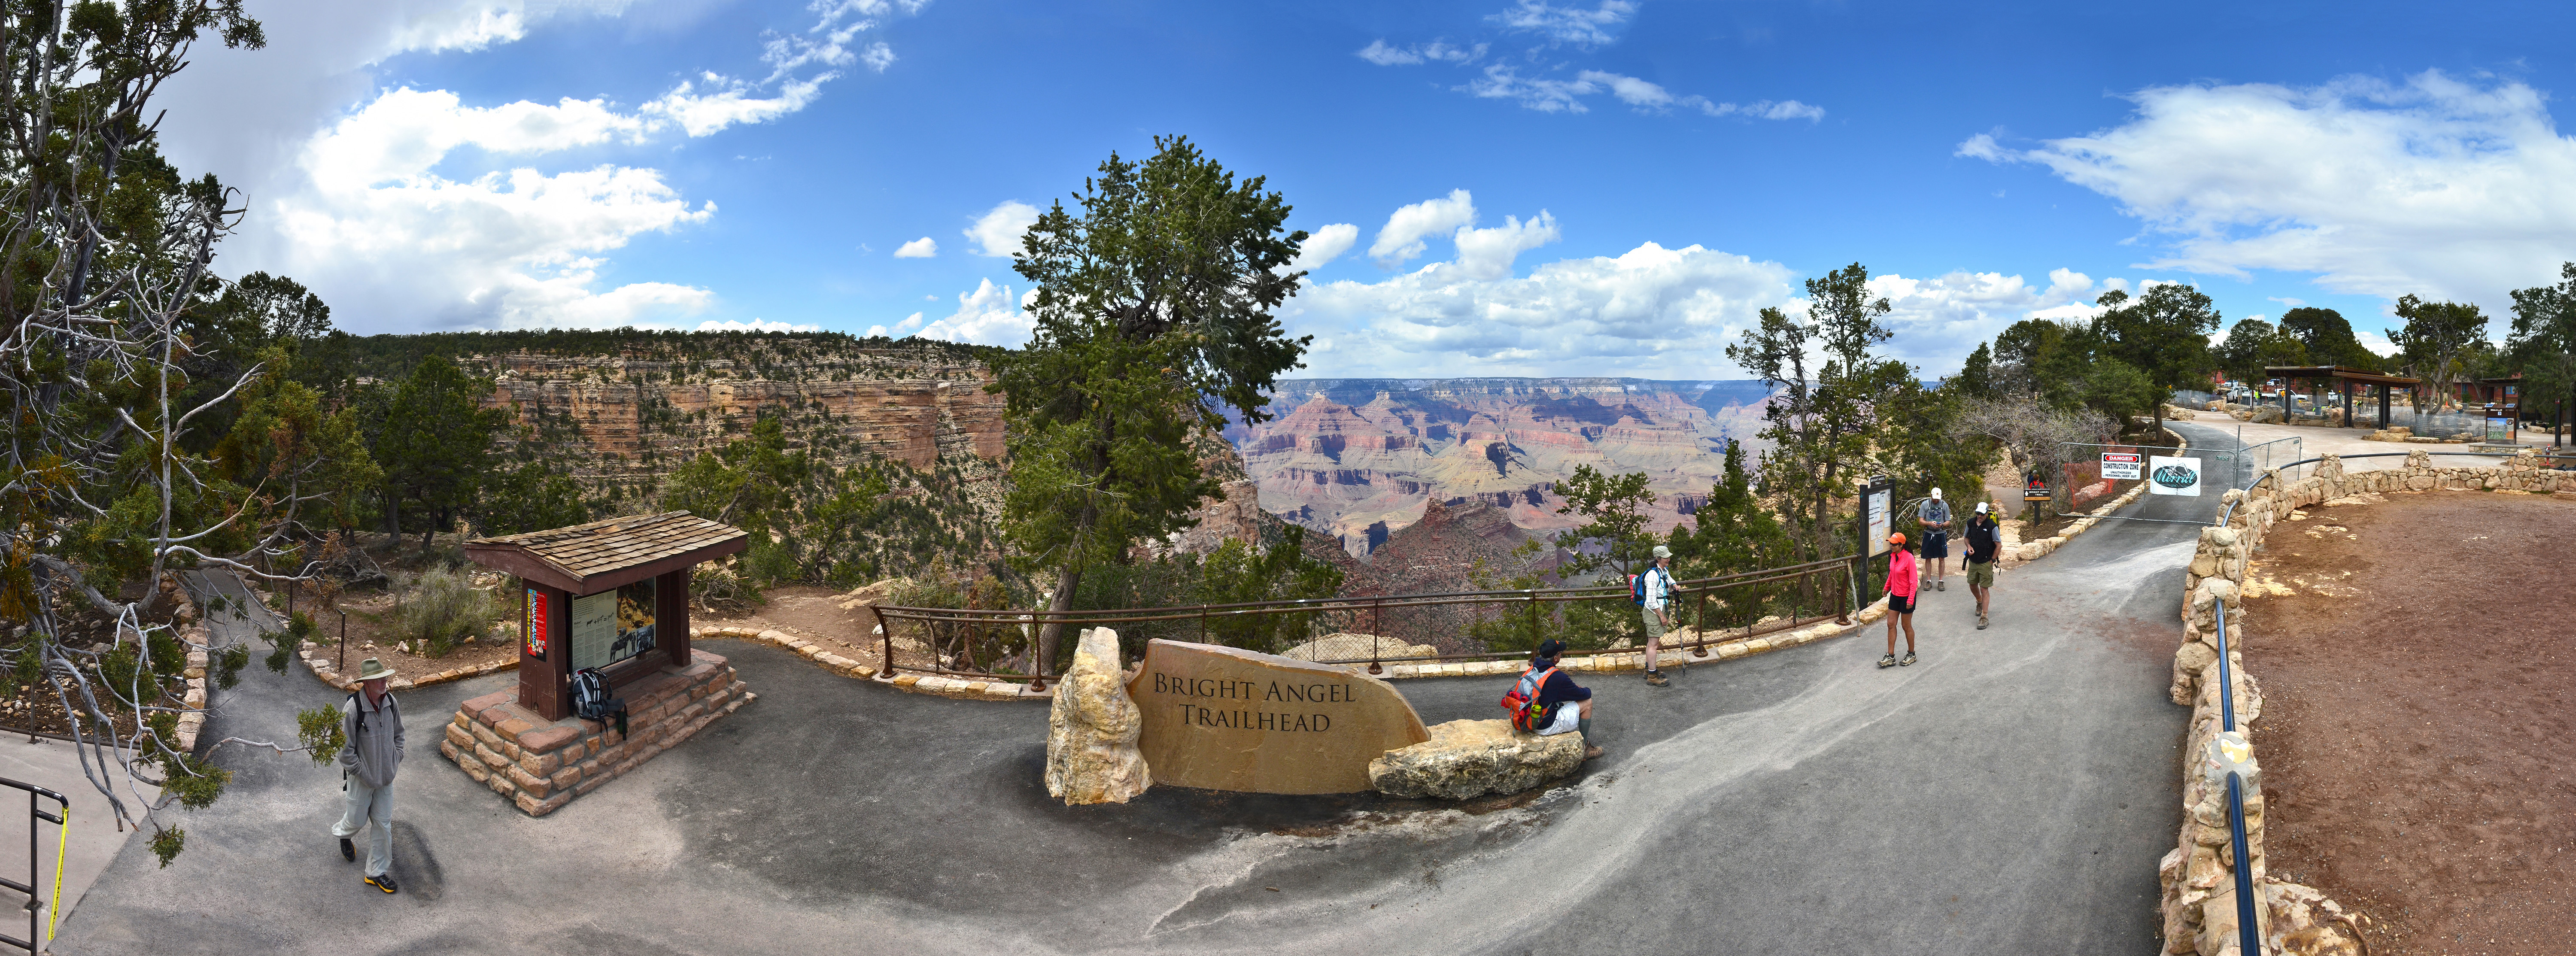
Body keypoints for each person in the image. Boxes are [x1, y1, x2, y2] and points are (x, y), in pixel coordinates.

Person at [334, 657, 405, 894]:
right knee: (356, 821)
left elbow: (399, 735)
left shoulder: (391, 703)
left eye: (385, 677)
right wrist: (363, 773)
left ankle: (376, 873)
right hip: (361, 781)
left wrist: (396, 759)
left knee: (383, 825)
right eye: (379, 679)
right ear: (366, 683)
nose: (385, 682)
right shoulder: (353, 709)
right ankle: (344, 835)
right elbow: (344, 752)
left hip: (386, 781)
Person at [1527, 640, 1603, 760]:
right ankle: (1584, 749)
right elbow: (1585, 694)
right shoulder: (1557, 677)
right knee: (1588, 703)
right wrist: (1580, 688)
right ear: (1556, 658)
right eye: (1560, 653)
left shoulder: (1534, 667)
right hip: (1546, 725)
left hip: (1531, 718)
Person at [1638, 544, 1679, 687]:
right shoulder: (1653, 575)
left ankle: (1648, 670)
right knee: (1654, 645)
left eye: (1668, 557)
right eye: (1666, 557)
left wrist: (1674, 585)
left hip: (1658, 611)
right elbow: (1650, 601)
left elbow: (1670, 579)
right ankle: (1652, 676)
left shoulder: (1663, 571)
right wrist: (1662, 616)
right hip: (1653, 613)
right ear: (1658, 558)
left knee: (1652, 643)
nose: (1668, 559)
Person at [1879, 532, 1920, 668]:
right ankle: (1890, 656)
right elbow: (1892, 573)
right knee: (1891, 624)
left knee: (1906, 626)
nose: (1891, 546)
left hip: (1907, 597)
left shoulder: (1909, 559)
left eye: (1894, 544)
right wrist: (1887, 587)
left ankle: (1912, 654)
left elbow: (1914, 581)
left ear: (1901, 545)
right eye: (1891, 543)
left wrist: (1911, 599)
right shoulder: (1893, 557)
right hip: (1895, 596)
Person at [1964, 500, 2001, 629]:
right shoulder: (1970, 523)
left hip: (1986, 562)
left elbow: (1998, 544)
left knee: (1984, 588)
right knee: (1972, 584)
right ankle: (1979, 602)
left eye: (1983, 514)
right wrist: (1968, 546)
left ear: (1987, 513)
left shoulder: (1992, 526)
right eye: (1978, 513)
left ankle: (1984, 617)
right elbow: (1966, 538)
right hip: (1973, 561)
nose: (1980, 516)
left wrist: (1992, 561)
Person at [1919, 487, 1953, 591]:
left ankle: (1941, 581)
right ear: (1931, 496)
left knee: (1942, 558)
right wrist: (1929, 523)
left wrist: (1942, 525)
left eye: (1938, 499)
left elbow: (1948, 521)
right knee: (1928, 557)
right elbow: (1921, 521)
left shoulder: (1944, 505)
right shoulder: (1925, 505)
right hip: (1928, 533)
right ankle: (1929, 581)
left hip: (1940, 533)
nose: (1936, 501)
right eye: (1934, 498)